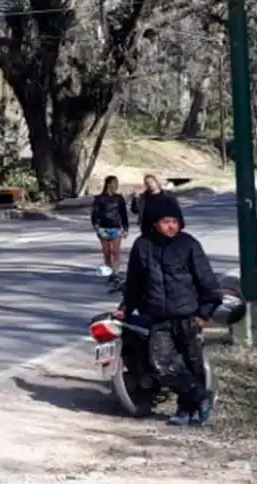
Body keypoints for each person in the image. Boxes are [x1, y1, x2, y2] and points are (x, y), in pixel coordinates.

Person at [117, 213, 223, 426]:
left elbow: (207, 281)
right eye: (166, 222)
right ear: (154, 223)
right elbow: (134, 283)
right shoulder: (143, 246)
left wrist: (204, 313)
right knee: (162, 364)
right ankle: (201, 397)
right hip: (158, 317)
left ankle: (186, 410)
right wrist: (126, 308)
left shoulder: (189, 244)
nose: (171, 226)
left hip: (188, 316)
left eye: (175, 222)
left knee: (192, 362)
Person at [90, 175, 130, 288]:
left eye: (117, 183)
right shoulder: (99, 199)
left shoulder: (119, 198)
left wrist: (126, 227)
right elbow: (95, 213)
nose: (116, 185)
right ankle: (109, 272)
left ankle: (116, 273)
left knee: (115, 252)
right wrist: (96, 225)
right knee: (107, 253)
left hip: (116, 227)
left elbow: (123, 213)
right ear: (108, 184)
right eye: (114, 183)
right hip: (103, 228)